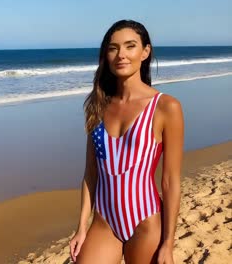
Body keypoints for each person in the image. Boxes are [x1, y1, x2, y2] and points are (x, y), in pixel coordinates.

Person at [69, 19, 184, 264]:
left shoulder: (165, 107)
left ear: (145, 52)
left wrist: (168, 243)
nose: (121, 54)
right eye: (113, 48)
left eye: (130, 46)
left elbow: (170, 180)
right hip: (103, 223)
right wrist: (81, 228)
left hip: (146, 222)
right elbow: (91, 174)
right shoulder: (98, 107)